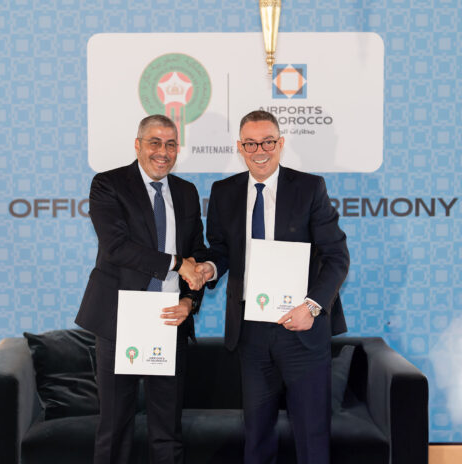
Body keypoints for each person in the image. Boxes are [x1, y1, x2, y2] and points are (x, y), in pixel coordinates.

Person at [196, 110, 349, 464]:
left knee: (312, 436)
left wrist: (312, 307)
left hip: (302, 328)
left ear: (280, 144)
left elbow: (337, 256)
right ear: (240, 147)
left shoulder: (310, 188)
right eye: (251, 144)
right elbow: (221, 251)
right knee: (257, 436)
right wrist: (208, 268)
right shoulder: (223, 192)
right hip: (250, 333)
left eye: (267, 142)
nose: (260, 151)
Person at [75, 114, 206, 464]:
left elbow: (196, 252)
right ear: (137, 145)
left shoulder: (186, 192)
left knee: (168, 431)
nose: (163, 151)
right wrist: (177, 263)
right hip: (120, 320)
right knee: (114, 428)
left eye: (171, 144)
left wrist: (189, 300)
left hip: (170, 320)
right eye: (155, 142)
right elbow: (117, 247)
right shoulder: (108, 184)